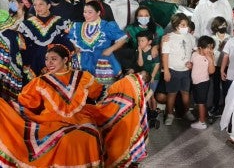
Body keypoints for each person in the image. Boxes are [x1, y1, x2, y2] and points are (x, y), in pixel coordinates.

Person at [0, 44, 148, 167]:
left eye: (53, 59)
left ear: (65, 59)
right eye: (47, 59)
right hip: (52, 121)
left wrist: (126, 84)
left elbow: (102, 94)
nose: (49, 63)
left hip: (83, 118)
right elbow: (24, 104)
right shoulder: (39, 82)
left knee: (90, 134)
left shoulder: (83, 76)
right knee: (66, 138)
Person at [69, 0, 127, 85]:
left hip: (102, 60)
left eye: (90, 12)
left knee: (103, 89)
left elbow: (122, 39)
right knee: (82, 87)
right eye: (85, 12)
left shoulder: (107, 26)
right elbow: (73, 39)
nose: (86, 15)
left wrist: (110, 49)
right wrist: (77, 49)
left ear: (98, 12)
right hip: (83, 61)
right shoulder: (78, 26)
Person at [18, 0, 71, 76]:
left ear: (49, 5)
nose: (37, 7)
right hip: (33, 61)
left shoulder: (60, 22)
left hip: (55, 63)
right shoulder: (26, 24)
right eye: (35, 5)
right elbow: (23, 46)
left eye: (41, 4)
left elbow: (66, 44)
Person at [161, 13, 195, 126]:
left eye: (187, 25)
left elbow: (194, 52)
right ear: (176, 25)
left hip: (186, 71)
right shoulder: (168, 38)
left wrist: (192, 63)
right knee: (172, 94)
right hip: (173, 70)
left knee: (186, 93)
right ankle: (170, 114)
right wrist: (166, 71)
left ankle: (186, 111)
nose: (186, 27)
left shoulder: (190, 37)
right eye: (183, 25)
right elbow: (165, 55)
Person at [190, 36, 216, 130]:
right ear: (200, 48)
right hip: (195, 82)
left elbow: (211, 71)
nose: (210, 50)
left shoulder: (210, 57)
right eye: (208, 47)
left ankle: (201, 122)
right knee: (199, 101)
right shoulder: (195, 54)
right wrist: (190, 65)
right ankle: (203, 117)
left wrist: (211, 60)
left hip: (203, 82)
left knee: (201, 102)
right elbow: (193, 64)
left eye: (212, 47)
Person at [135, 30, 160, 117]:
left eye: (142, 40)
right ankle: (147, 111)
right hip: (145, 77)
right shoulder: (139, 51)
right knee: (145, 94)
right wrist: (140, 53)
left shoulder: (153, 51)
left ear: (149, 42)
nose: (140, 43)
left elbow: (157, 64)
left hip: (154, 76)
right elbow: (140, 64)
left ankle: (154, 112)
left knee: (151, 95)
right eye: (138, 41)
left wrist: (153, 76)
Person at [209, 16, 230, 116]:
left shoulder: (230, 38)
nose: (223, 26)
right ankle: (215, 106)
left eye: (225, 25)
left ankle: (226, 107)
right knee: (216, 87)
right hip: (216, 65)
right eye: (221, 25)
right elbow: (210, 52)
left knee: (226, 88)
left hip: (226, 66)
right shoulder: (212, 38)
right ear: (216, 26)